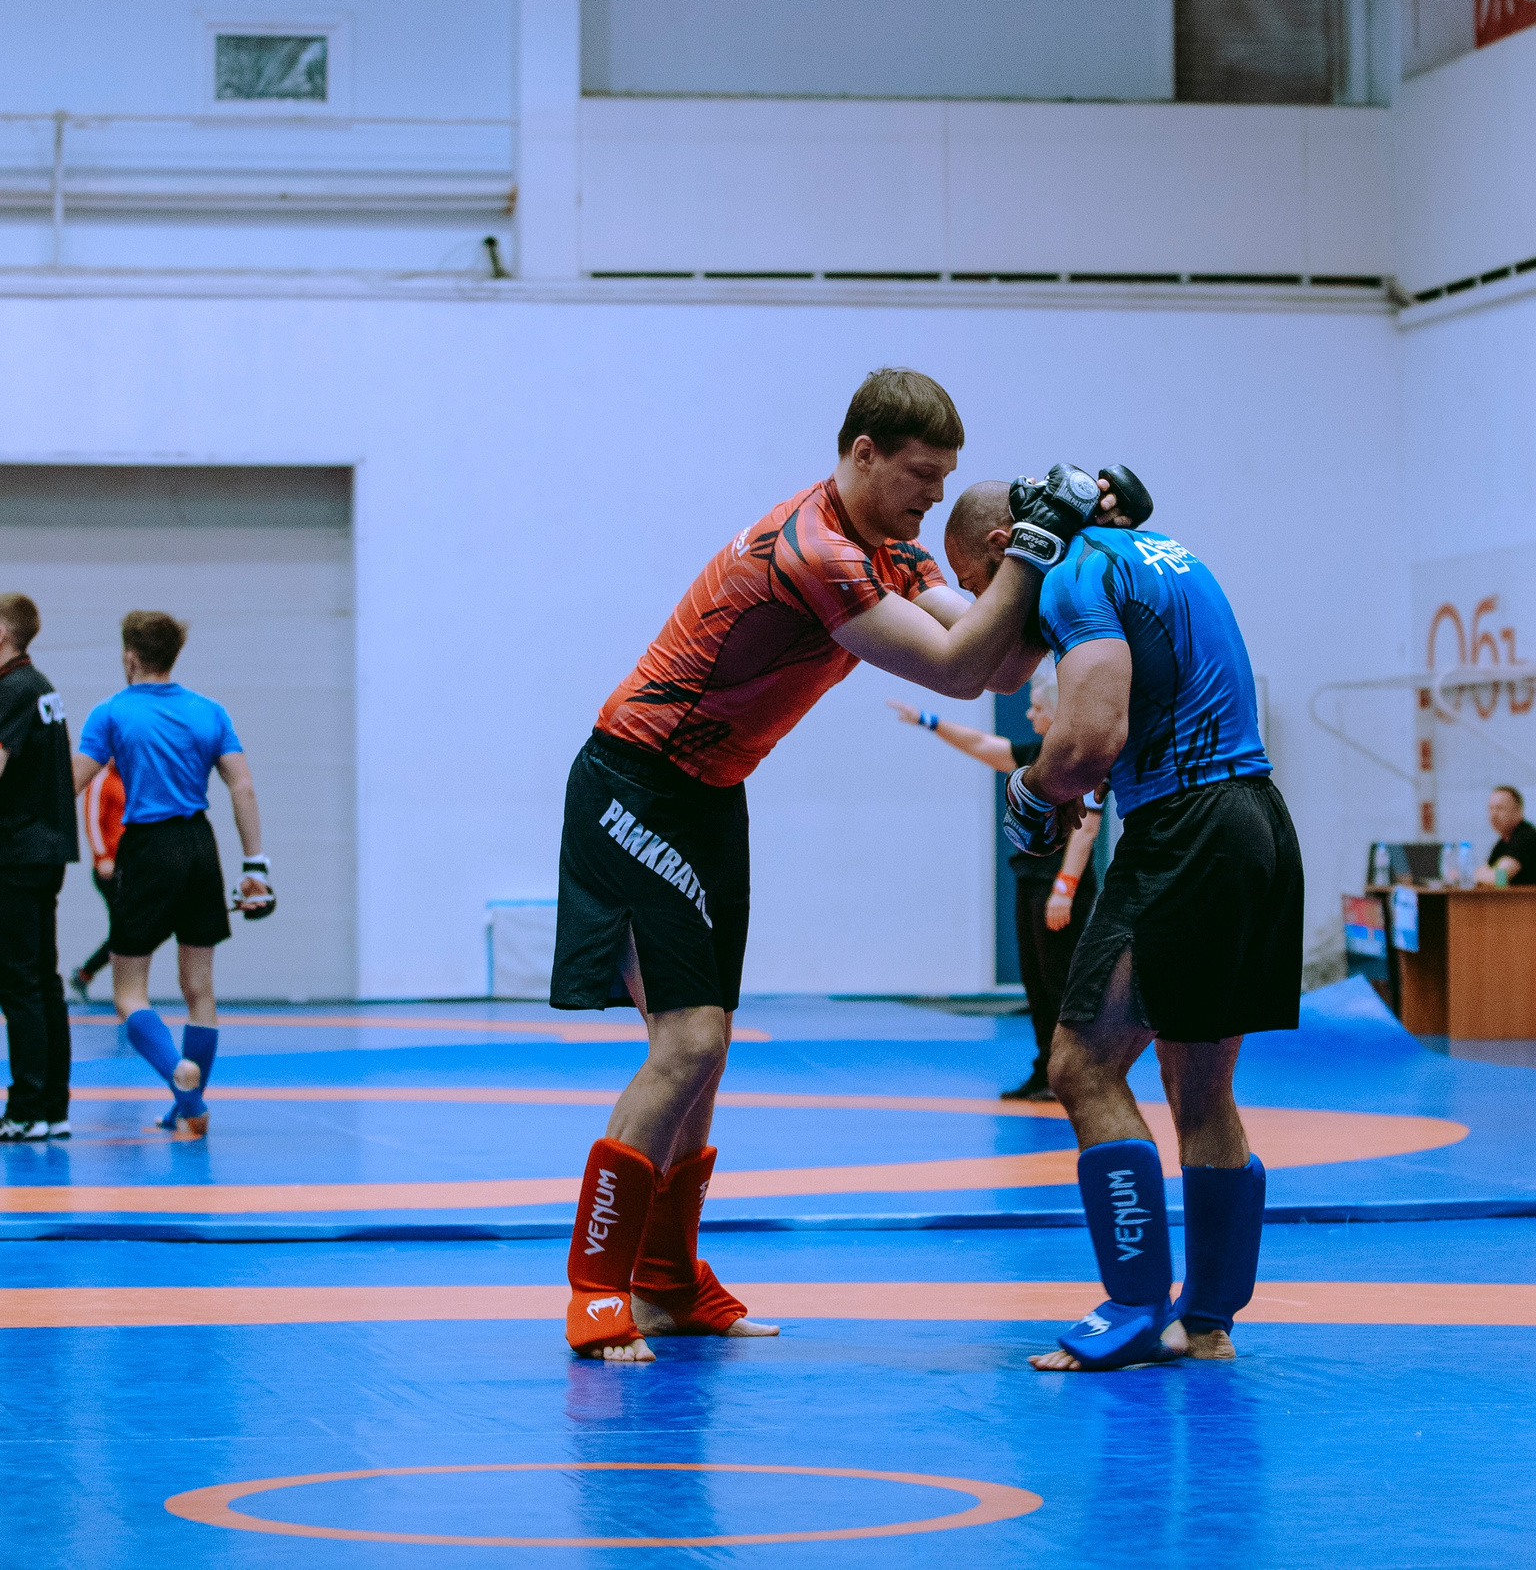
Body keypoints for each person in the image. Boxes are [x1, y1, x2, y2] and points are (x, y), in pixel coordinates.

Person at [551, 367, 1121, 1364]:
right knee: (685, 1040)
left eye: (946, 483)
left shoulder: (886, 547)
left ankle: (670, 1281)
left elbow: (996, 662)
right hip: (634, 781)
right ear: (861, 451)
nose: (934, 499)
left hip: (709, 793)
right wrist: (1029, 549)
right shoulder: (815, 551)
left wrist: (1058, 551)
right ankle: (598, 1290)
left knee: (707, 1047)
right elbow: (956, 668)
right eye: (919, 476)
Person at [941, 481, 1298, 1372]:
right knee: (1200, 1090)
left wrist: (1032, 789)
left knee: (1081, 1064)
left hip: (1186, 829)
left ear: (1003, 546)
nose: (987, 612)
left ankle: (1136, 1305)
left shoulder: (1068, 578)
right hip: (1256, 817)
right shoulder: (1150, 551)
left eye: (979, 584)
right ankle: (1206, 1318)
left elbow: (1090, 735)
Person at [69, 610, 273, 1139]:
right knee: (199, 987)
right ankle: (193, 1109)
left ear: (130, 657)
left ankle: (179, 1080)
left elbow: (71, 783)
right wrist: (256, 868)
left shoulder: (112, 712)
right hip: (200, 846)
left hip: (148, 847)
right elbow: (243, 788)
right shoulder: (210, 712)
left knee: (128, 992)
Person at [886, 657, 1105, 1101]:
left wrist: (1065, 887)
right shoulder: (1036, 755)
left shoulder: (1077, 756)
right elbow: (983, 745)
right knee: (1037, 983)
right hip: (1031, 880)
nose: (1029, 714)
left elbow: (1087, 827)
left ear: (1055, 711)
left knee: (1061, 983)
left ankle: (1076, 1075)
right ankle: (1047, 1070)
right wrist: (929, 721)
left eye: (1035, 707)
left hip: (1059, 888)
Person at [0, 593, 81, 1143]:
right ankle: (51, 1106)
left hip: (19, 856)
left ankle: (26, 1108)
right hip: (43, 851)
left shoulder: (15, 687)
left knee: (18, 982)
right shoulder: (40, 687)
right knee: (42, 982)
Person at [69, 760, 126, 1003]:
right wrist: (102, 856)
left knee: (129, 928)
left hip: (131, 865)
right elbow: (92, 820)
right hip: (110, 868)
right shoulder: (103, 779)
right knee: (125, 928)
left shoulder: (132, 778)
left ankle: (86, 974)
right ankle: (88, 974)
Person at [1472, 785, 1536, 887]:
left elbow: (1499, 879)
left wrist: (1472, 875)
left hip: (1533, 900)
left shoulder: (1527, 837)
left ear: (1518, 811)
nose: (1493, 815)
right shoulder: (1501, 843)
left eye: (1500, 808)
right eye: (1491, 808)